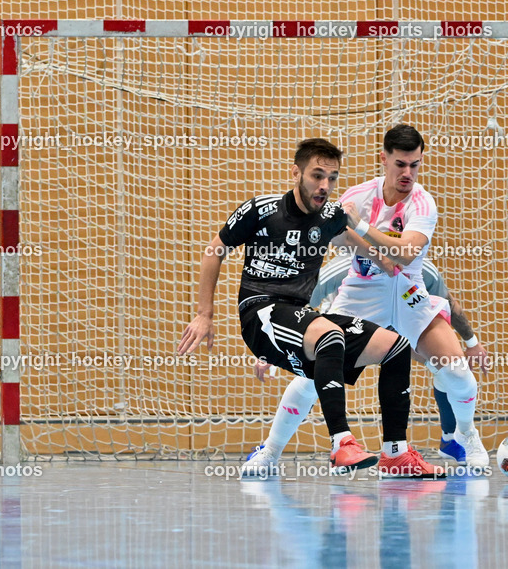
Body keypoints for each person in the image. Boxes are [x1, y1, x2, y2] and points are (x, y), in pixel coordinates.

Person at [178, 138, 442, 477]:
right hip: (260, 312)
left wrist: (388, 261)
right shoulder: (261, 210)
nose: (325, 186)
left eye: (332, 178)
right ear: (296, 173)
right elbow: (214, 250)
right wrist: (204, 314)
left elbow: (362, 246)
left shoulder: (331, 216)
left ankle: (395, 454)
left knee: (396, 348)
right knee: (329, 335)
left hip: (300, 316)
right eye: (317, 175)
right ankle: (341, 444)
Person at [243, 254, 489, 476]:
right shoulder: (341, 268)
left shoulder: (418, 265)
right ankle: (271, 451)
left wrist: (472, 342)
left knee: (452, 369)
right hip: (356, 321)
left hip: (406, 320)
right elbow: (296, 308)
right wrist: (272, 350)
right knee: (310, 380)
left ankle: (461, 434)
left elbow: (449, 301)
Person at [337, 124, 488, 467]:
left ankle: (465, 432)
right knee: (312, 371)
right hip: (361, 294)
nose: (408, 173)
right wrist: (374, 252)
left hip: (409, 296)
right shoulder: (356, 196)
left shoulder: (423, 203)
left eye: (415, 165)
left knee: (458, 374)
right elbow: (335, 235)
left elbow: (406, 254)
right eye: (400, 164)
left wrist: (360, 228)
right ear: (384, 159)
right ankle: (269, 450)